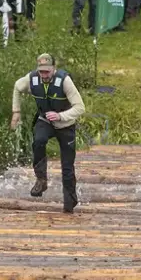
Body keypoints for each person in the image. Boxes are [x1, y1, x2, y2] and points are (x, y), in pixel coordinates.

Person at [10, 54, 86, 213]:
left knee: (67, 167)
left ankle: (69, 204)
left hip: (66, 124)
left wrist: (61, 116)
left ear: (54, 69)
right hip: (45, 120)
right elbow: (17, 87)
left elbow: (80, 108)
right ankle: (41, 179)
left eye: (47, 72)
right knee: (38, 140)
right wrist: (16, 112)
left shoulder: (64, 81)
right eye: (41, 72)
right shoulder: (32, 79)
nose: (44, 75)